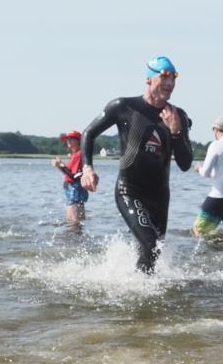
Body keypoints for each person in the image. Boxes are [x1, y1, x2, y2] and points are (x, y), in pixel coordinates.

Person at [80, 56, 193, 273]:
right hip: (129, 191)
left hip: (160, 197)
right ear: (149, 79)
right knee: (150, 244)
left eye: (174, 79)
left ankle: (138, 286)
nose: (170, 84)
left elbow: (185, 164)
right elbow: (89, 133)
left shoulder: (177, 116)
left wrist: (177, 132)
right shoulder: (124, 107)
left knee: (153, 250)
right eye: (164, 77)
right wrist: (87, 167)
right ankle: (141, 295)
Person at [53, 131, 87, 223]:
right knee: (75, 221)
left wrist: (61, 165)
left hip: (74, 189)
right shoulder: (76, 155)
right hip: (74, 189)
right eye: (67, 140)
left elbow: (74, 176)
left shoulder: (78, 155)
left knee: (74, 221)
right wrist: (60, 166)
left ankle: (75, 235)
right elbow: (70, 173)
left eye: (71, 139)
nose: (68, 141)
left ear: (79, 141)